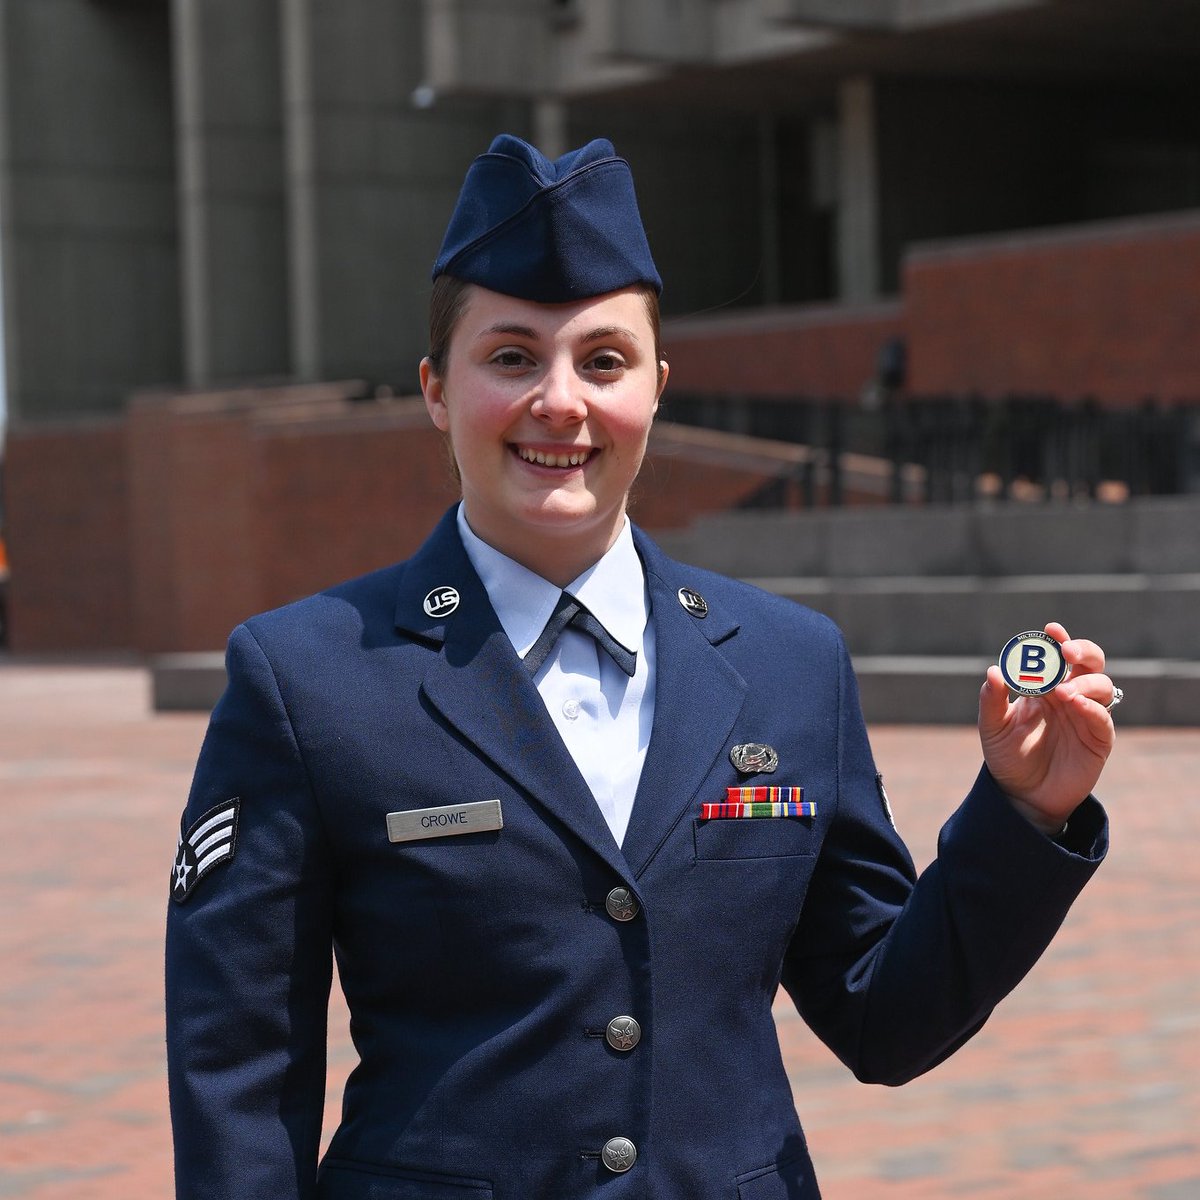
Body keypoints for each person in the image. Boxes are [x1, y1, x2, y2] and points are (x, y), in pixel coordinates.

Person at [165, 135, 1116, 1199]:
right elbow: (241, 1072)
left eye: (604, 360)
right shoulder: (308, 679)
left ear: (658, 387)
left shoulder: (790, 664)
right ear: (437, 389)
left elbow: (884, 1015)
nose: (561, 403)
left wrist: (1024, 818)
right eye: (512, 356)